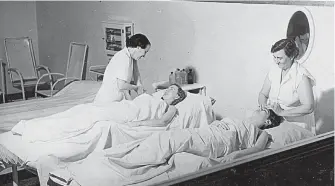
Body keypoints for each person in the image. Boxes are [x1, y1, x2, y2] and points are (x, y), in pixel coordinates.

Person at [45, 107, 282, 186]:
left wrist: (238, 155)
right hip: (204, 133)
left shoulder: (261, 133)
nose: (255, 110)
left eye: (261, 111)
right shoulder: (236, 118)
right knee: (160, 140)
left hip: (216, 143)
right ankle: (110, 162)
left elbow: (258, 150)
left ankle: (119, 164)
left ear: (268, 121)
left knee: (165, 140)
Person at [11, 84, 187, 143]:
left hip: (129, 115)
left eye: (172, 89)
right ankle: (31, 124)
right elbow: (135, 101)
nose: (168, 89)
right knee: (82, 109)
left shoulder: (171, 107)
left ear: (177, 97)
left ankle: (34, 131)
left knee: (89, 117)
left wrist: (137, 124)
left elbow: (162, 123)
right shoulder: (153, 96)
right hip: (124, 107)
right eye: (169, 87)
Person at [258, 38, 316, 132]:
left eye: (279, 58)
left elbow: (309, 107)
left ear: (292, 56)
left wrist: (282, 112)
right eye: (274, 57)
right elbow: (263, 94)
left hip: (296, 126)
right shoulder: (274, 70)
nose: (276, 61)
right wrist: (264, 106)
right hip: (276, 122)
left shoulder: (301, 76)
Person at [94, 33, 151, 104]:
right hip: (108, 101)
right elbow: (121, 86)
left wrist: (141, 91)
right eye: (145, 52)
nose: (144, 55)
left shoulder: (131, 57)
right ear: (138, 47)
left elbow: (136, 75)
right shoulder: (123, 58)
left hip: (117, 99)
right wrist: (136, 88)